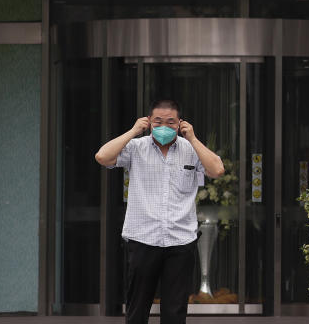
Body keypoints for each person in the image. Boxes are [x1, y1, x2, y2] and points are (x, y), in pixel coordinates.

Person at [95, 100, 226, 324]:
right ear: (149, 122)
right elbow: (102, 156)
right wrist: (133, 131)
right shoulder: (137, 148)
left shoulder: (190, 150)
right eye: (158, 121)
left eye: (170, 122)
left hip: (180, 241)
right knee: (137, 309)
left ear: (180, 124)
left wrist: (193, 138)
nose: (164, 126)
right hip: (143, 238)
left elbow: (217, 169)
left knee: (175, 312)